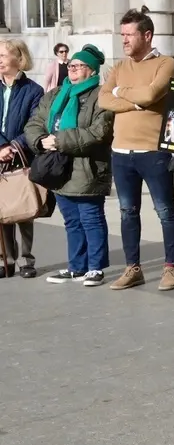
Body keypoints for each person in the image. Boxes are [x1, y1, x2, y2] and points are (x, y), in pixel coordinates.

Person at [99, 7, 174, 291]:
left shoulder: (166, 63)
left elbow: (150, 94)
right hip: (120, 152)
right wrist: (135, 101)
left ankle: (171, 268)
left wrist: (120, 92)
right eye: (122, 34)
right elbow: (102, 100)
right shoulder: (119, 67)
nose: (124, 40)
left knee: (165, 211)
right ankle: (132, 268)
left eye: (129, 34)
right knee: (127, 212)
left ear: (147, 35)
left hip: (153, 151)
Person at [28, 46, 113, 286]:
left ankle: (95, 268)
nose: (73, 70)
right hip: (58, 168)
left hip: (87, 167)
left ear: (92, 70)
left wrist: (59, 140)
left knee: (91, 218)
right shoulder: (56, 94)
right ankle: (77, 267)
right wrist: (40, 139)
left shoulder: (101, 95)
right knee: (72, 221)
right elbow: (35, 121)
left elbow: (99, 131)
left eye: (79, 66)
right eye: (71, 66)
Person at [0, 39, 44, 278]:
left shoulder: (33, 90)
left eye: (3, 55)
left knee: (23, 209)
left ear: (19, 57)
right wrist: (1, 147)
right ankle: (4, 258)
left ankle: (27, 260)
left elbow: (35, 124)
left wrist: (14, 146)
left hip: (21, 155)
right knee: (1, 208)